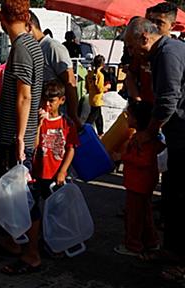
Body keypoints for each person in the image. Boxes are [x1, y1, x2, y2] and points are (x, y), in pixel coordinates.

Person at [124, 17, 185, 282]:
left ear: (144, 38)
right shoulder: (164, 51)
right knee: (172, 194)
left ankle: (181, 263)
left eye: (131, 45)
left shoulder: (169, 53)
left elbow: (169, 98)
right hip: (176, 135)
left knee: (181, 196)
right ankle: (172, 250)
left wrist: (149, 131)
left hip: (183, 132)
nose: (131, 52)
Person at [0, 0, 44, 274]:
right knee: (16, 195)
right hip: (20, 134)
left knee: (24, 196)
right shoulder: (29, 44)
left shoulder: (23, 47)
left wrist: (20, 136)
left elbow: (25, 96)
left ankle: (31, 254)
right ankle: (13, 243)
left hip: (18, 137)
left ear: (3, 18)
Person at [32, 80, 79, 257]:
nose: (47, 105)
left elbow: (71, 149)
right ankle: (37, 240)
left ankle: (55, 241)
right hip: (38, 173)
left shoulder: (67, 124)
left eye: (52, 101)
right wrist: (37, 125)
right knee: (35, 209)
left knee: (56, 211)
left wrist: (63, 171)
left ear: (62, 100)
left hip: (56, 176)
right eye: (45, 100)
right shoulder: (40, 121)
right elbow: (35, 145)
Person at [113, 101, 164, 257]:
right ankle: (151, 241)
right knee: (145, 214)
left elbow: (144, 161)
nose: (126, 118)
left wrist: (123, 157)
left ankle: (133, 245)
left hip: (138, 184)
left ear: (137, 120)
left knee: (134, 216)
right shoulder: (148, 137)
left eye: (129, 115)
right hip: (143, 184)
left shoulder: (141, 140)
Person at [27, 10, 81, 128]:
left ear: (29, 27)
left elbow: (70, 82)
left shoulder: (52, 48)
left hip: (56, 122)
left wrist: (73, 116)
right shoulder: (32, 50)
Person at [85, 55, 107, 136]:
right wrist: (106, 87)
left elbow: (86, 86)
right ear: (102, 64)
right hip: (97, 98)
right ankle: (84, 130)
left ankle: (100, 132)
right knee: (93, 116)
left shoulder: (89, 74)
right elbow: (99, 89)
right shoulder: (100, 75)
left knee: (98, 116)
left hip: (91, 97)